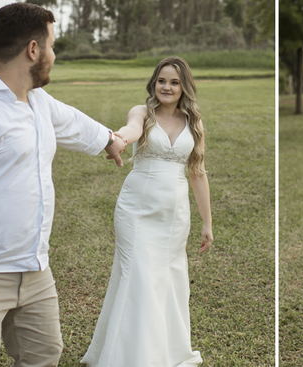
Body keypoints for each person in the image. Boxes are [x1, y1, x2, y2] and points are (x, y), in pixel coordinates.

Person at [0, 3, 127, 366]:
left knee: (43, 355)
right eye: (51, 46)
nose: (53, 55)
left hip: (33, 268)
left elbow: (73, 123)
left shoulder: (36, 100)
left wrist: (109, 140)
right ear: (33, 50)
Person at [80, 56, 212, 366]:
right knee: (138, 276)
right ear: (153, 84)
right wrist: (119, 139)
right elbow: (131, 129)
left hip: (174, 216)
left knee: (168, 279)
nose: (167, 87)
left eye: (174, 82)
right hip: (137, 210)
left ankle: (165, 351)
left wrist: (207, 221)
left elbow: (198, 172)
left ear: (184, 87)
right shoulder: (142, 113)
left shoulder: (194, 122)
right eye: (162, 80)